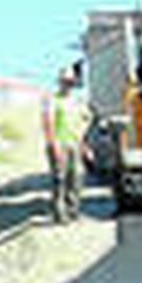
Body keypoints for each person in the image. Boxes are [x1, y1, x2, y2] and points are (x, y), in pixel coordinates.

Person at [42, 67, 84, 223]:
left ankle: (73, 210)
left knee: (76, 177)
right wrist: (53, 146)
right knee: (60, 179)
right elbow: (48, 123)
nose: (68, 85)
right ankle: (59, 213)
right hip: (59, 143)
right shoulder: (52, 100)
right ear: (60, 83)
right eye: (65, 82)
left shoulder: (75, 101)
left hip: (73, 142)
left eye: (71, 82)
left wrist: (83, 145)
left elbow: (79, 124)